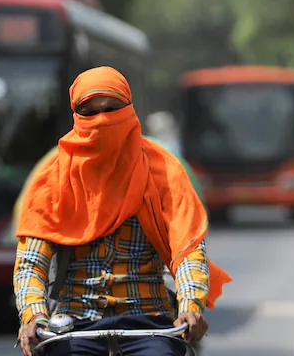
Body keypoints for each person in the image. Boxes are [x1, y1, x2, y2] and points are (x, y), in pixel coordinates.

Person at [13, 66, 232, 356]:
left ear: (129, 109)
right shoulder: (53, 178)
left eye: (112, 109)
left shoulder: (164, 171)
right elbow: (31, 263)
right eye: (89, 112)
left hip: (148, 321)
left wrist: (190, 307)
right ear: (76, 117)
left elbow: (189, 252)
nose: (102, 120)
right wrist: (33, 315)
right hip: (74, 324)